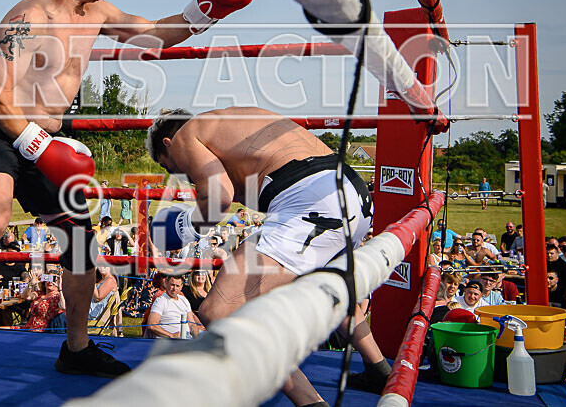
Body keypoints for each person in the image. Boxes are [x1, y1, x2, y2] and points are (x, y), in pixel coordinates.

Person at [0, 0, 252, 385]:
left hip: (49, 138)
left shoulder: (96, 12)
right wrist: (35, 144)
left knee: (80, 244)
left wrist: (206, 10)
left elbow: (154, 36)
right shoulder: (28, 18)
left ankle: (76, 348)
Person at [147, 107, 387, 403]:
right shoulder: (228, 127)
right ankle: (379, 369)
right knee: (329, 288)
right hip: (352, 194)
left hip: (312, 204)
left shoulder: (185, 137)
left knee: (218, 310)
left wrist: (184, 226)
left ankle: (310, 402)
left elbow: (220, 198)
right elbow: (243, 187)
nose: (179, 176)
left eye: (169, 167)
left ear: (168, 143)